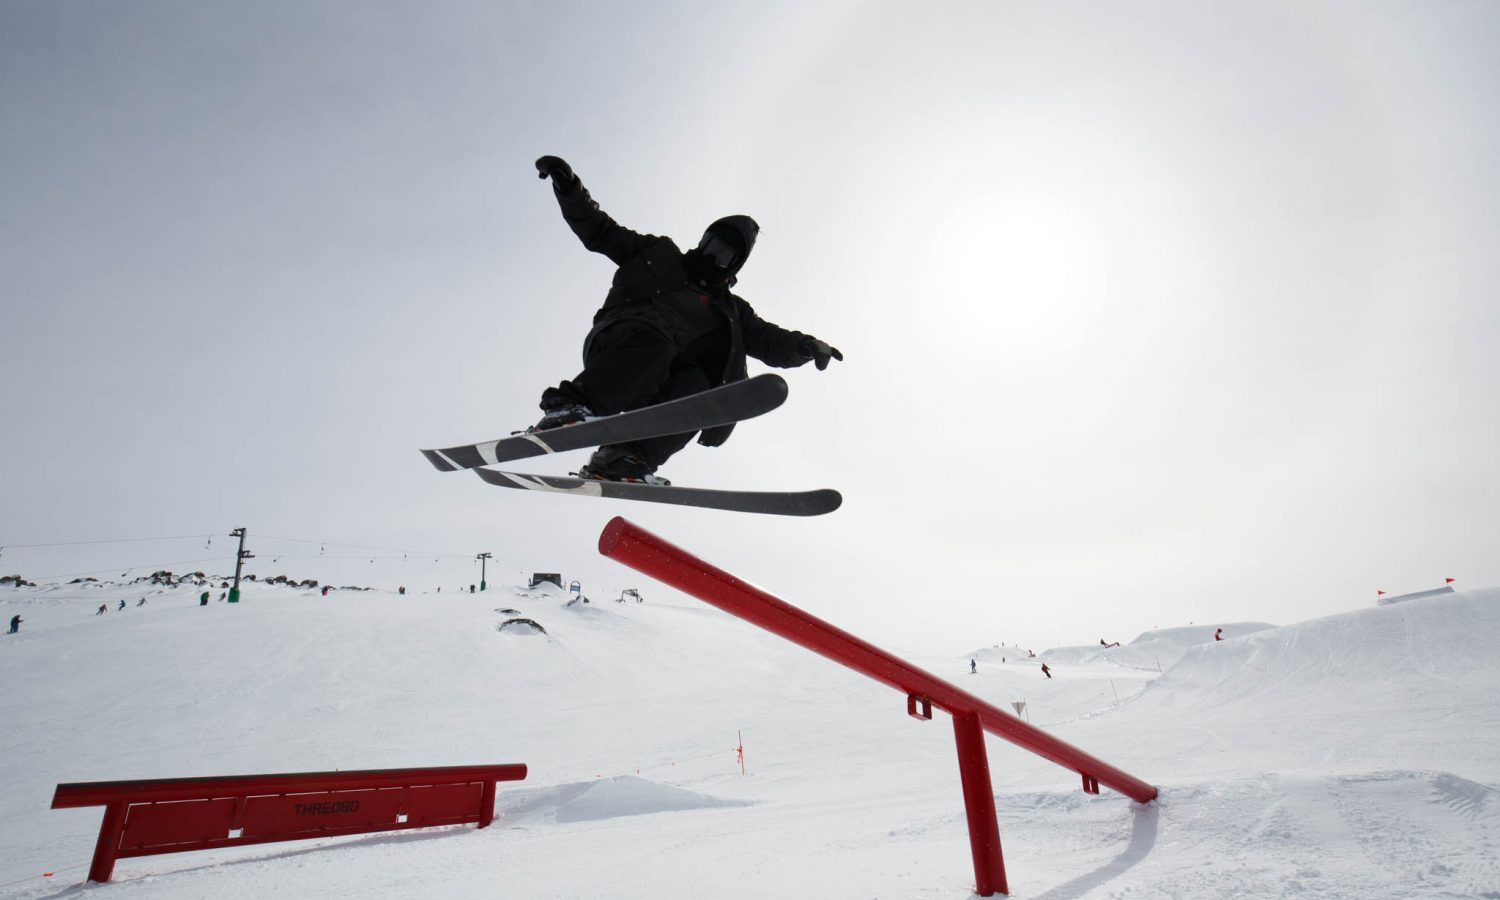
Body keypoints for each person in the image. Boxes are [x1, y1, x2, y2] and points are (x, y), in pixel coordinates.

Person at [530, 155, 842, 484]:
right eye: (709, 245)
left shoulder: (732, 312)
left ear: (733, 266)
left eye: (723, 255)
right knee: (657, 341)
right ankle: (570, 405)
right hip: (621, 345)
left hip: (659, 380)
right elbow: (601, 230)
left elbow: (770, 340)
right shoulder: (658, 255)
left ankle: (625, 457)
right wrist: (569, 188)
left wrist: (806, 346)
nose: (711, 256)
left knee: (699, 389)